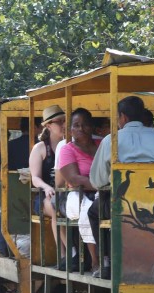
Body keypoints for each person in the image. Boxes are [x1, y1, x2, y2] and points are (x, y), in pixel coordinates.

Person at [89, 96, 154, 278]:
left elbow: (97, 180)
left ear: (123, 117)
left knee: (93, 213)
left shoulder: (110, 140)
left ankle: (106, 262)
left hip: (119, 204)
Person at [58, 108, 99, 274]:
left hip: (102, 191)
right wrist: (100, 184)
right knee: (87, 212)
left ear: (92, 127)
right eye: (77, 125)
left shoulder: (102, 144)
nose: (81, 129)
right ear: (70, 129)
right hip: (77, 193)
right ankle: (96, 260)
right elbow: (74, 179)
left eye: (85, 125)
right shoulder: (67, 149)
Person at [29, 105, 67, 258]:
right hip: (45, 196)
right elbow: (35, 178)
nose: (64, 125)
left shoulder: (71, 145)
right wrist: (46, 187)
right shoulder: (40, 148)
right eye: (60, 122)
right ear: (49, 125)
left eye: (65, 121)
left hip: (67, 192)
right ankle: (64, 254)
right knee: (54, 208)